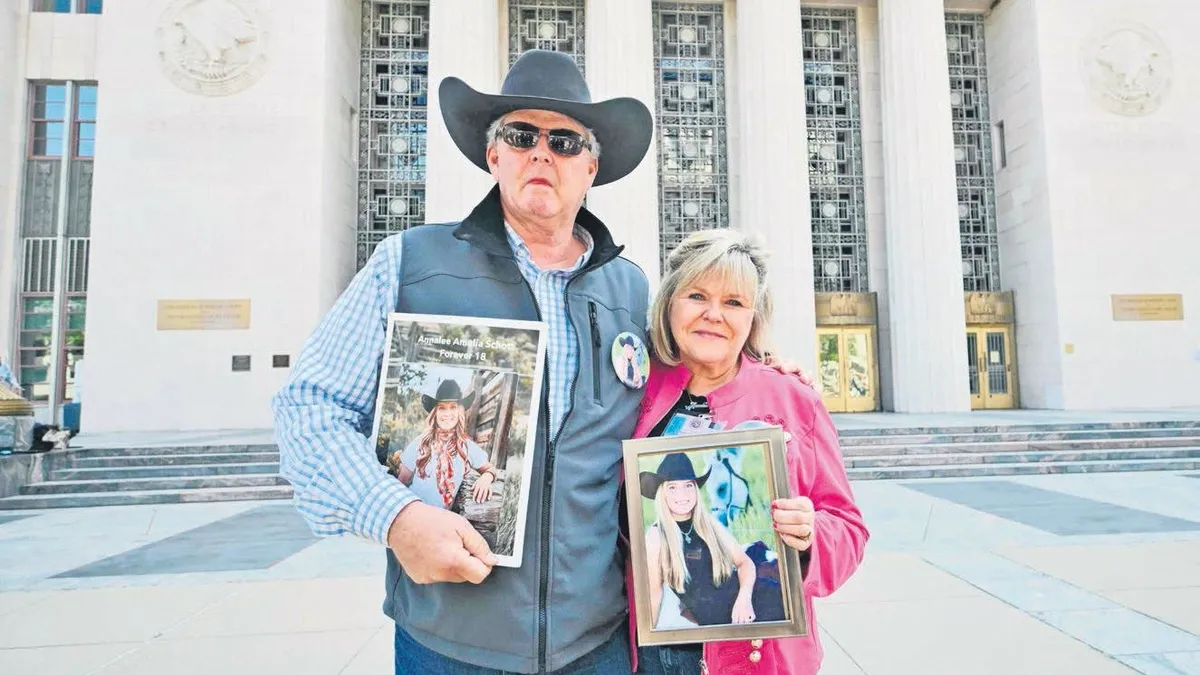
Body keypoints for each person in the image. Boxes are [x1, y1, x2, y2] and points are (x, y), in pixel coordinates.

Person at [272, 50, 810, 675]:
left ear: (592, 166)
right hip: (450, 642)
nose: (541, 152)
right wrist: (392, 516)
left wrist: (761, 368)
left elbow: (690, 383)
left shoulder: (632, 290)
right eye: (520, 135)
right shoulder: (409, 264)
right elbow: (311, 406)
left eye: (565, 140)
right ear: (493, 154)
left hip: (598, 642)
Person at [627, 229, 868, 675]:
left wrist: (811, 536)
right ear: (670, 305)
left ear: (753, 317)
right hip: (647, 653)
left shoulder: (792, 399)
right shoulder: (633, 388)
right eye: (697, 295)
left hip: (758, 656)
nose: (714, 315)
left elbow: (849, 528)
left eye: (734, 302)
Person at [640, 452, 785, 629]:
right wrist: (648, 638)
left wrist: (743, 599)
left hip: (751, 601)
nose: (682, 494)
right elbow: (654, 594)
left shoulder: (708, 524)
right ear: (662, 493)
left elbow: (744, 563)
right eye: (672, 487)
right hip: (716, 621)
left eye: (688, 485)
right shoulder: (656, 536)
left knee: (784, 601)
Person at [388, 378, 496, 507]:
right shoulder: (420, 443)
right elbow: (402, 481)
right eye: (442, 408)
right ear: (435, 412)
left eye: (453, 407)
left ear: (459, 411)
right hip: (414, 509)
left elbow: (490, 469)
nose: (447, 414)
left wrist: (486, 478)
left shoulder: (466, 446)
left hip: (442, 517)